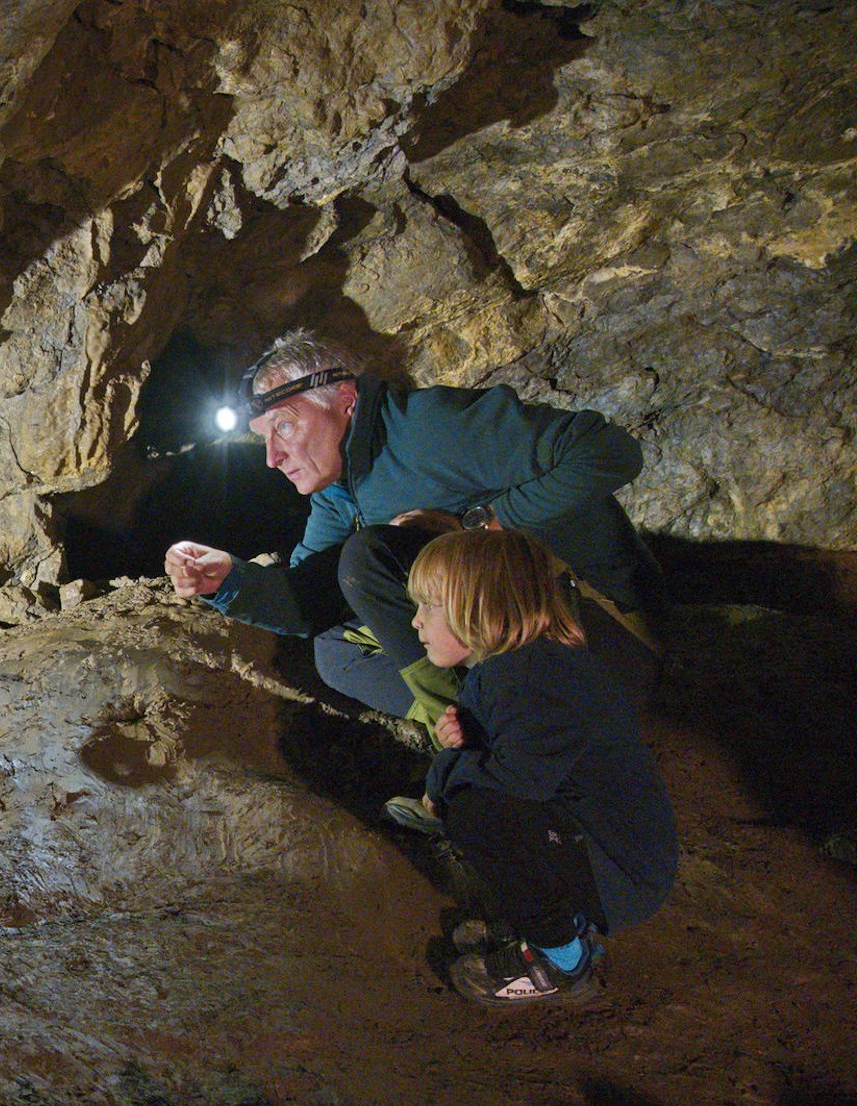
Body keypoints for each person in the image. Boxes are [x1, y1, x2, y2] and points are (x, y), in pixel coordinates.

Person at [163, 329, 664, 737]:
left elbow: (609, 451)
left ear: (345, 400)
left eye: (285, 427)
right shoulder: (339, 492)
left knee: (367, 557)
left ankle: (499, 744)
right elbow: (308, 603)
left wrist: (483, 524)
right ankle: (474, 730)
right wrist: (228, 580)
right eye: (264, 439)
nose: (273, 457)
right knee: (337, 651)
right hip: (521, 639)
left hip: (601, 629)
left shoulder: (430, 428)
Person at [407, 528, 676, 1005]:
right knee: (476, 802)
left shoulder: (531, 676)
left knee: (477, 813)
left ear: (481, 607)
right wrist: (459, 753)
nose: (416, 621)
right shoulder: (521, 667)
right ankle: (552, 921)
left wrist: (445, 777)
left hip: (623, 874)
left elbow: (517, 784)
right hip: (604, 850)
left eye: (429, 605)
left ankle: (562, 959)